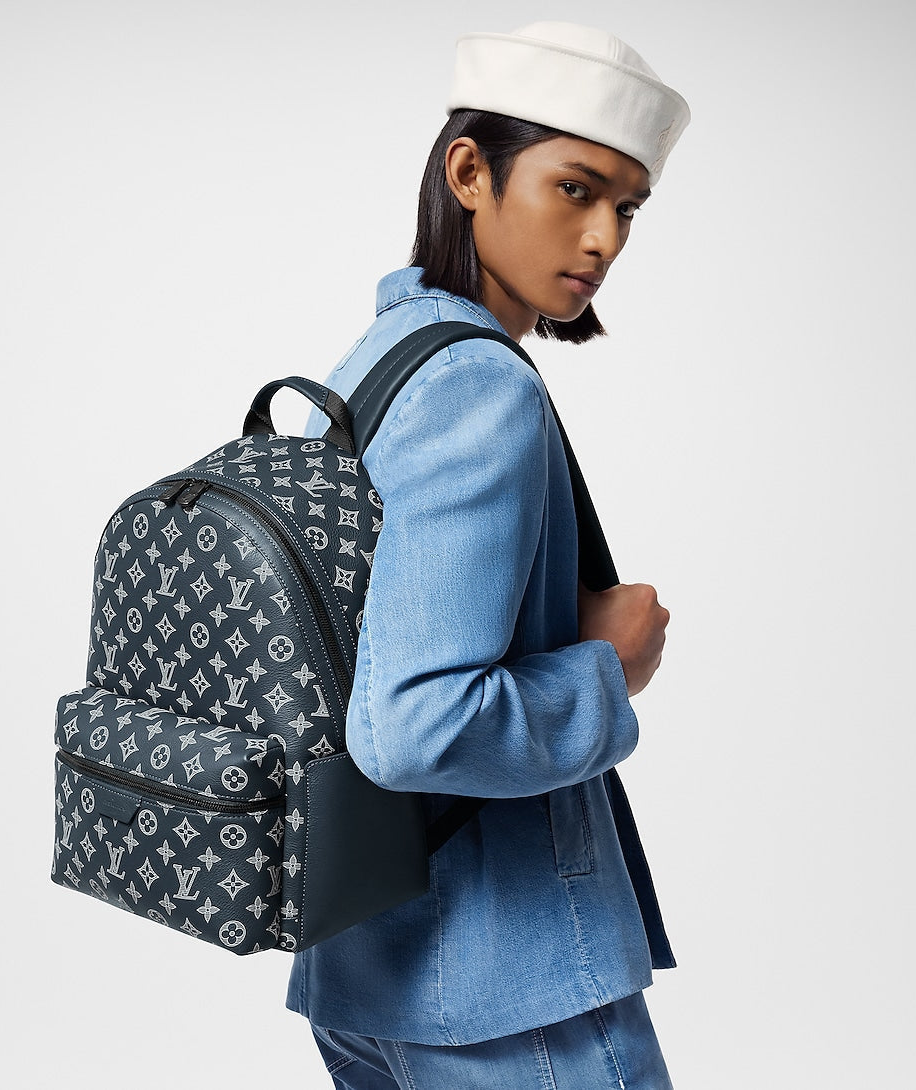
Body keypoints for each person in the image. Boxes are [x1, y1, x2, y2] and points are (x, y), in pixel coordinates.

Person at [287, 22, 690, 1089]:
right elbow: (411, 725)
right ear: (470, 173)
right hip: (510, 993)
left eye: (628, 208)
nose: (603, 238)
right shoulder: (476, 385)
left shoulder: (378, 359)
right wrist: (607, 668)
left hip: (368, 966)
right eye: (575, 189)